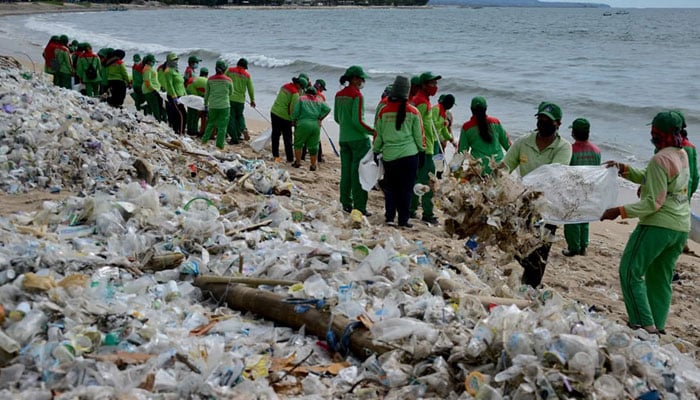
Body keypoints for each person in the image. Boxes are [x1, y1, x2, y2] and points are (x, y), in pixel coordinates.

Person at [601, 111, 689, 335]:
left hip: (657, 225)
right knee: (660, 278)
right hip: (680, 227)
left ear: (658, 133)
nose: (651, 137)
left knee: (630, 271)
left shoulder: (660, 158)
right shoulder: (682, 153)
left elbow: (653, 203)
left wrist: (619, 211)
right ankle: (657, 327)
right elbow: (654, 178)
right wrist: (624, 169)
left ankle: (642, 325)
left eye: (654, 133)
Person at [503, 101, 572, 288]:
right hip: (524, 204)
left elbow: (553, 175)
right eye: (540, 118)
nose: (542, 122)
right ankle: (517, 284)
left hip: (548, 207)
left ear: (558, 123)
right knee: (520, 248)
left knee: (539, 251)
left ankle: (531, 288)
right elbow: (505, 166)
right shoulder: (523, 142)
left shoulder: (563, 147)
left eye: (547, 120)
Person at [373, 76, 425, 228]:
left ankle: (389, 217)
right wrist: (422, 153)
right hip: (410, 156)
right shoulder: (414, 112)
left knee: (391, 188)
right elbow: (419, 136)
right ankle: (403, 220)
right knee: (406, 189)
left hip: (390, 156)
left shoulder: (383, 111)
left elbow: (379, 135)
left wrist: (376, 151)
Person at [334, 65, 375, 215]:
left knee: (346, 173)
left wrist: (347, 127)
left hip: (343, 138)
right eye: (361, 79)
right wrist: (373, 131)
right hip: (359, 140)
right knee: (358, 174)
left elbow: (337, 118)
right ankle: (359, 207)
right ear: (354, 79)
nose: (363, 81)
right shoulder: (357, 96)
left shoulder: (339, 95)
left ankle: (345, 202)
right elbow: (358, 121)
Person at [562, 118, 601, 257]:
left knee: (571, 219)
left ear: (573, 133)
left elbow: (566, 171)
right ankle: (584, 246)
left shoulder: (571, 150)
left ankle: (573, 248)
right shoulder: (596, 150)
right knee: (584, 218)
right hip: (589, 189)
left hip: (573, 189)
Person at [409, 71, 441, 224]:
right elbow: (416, 125)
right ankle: (427, 213)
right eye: (432, 83)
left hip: (423, 147)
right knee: (430, 181)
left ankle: (411, 209)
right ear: (423, 85)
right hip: (425, 148)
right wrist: (422, 148)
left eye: (436, 83)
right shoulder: (421, 102)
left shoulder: (421, 100)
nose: (435, 86)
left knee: (417, 178)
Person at [458, 96, 511, 175]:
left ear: (471, 109)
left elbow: (462, 152)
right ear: (486, 108)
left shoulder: (466, 127)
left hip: (479, 168)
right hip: (498, 166)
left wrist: (457, 171)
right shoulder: (495, 122)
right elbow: (509, 147)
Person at [292, 86, 331, 171]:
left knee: (298, 144)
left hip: (303, 123)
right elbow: (328, 109)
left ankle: (297, 163)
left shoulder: (301, 99)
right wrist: (320, 118)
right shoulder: (319, 101)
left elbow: (295, 112)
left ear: (306, 92)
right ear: (315, 94)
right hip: (315, 125)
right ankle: (313, 165)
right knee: (314, 146)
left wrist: (294, 121)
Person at [270, 75, 307, 163]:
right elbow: (293, 109)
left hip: (274, 112)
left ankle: (276, 157)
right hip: (284, 117)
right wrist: (294, 121)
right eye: (301, 87)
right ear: (298, 84)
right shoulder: (295, 93)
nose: (301, 89)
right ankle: (289, 158)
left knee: (275, 136)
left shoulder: (285, 86)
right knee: (287, 139)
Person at [202, 60, 234, 150]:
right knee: (222, 127)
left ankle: (204, 141)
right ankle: (219, 146)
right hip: (225, 106)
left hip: (212, 105)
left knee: (210, 124)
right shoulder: (229, 80)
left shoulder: (210, 79)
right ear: (225, 69)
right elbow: (231, 92)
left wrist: (205, 104)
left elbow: (207, 94)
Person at [225, 58, 256, 144]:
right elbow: (250, 88)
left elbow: (223, 80)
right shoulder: (247, 75)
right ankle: (242, 129)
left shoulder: (230, 70)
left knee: (231, 118)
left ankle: (234, 138)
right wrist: (252, 100)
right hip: (241, 100)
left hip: (230, 98)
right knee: (239, 116)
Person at [302, 79, 328, 162]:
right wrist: (320, 119)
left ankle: (302, 156)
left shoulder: (307, 92)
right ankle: (319, 158)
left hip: (305, 118)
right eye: (322, 89)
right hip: (315, 120)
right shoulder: (321, 97)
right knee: (316, 139)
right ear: (320, 88)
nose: (322, 91)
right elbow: (325, 109)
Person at [432, 93, 456, 178]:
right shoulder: (436, 109)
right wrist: (443, 123)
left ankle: (439, 177)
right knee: (434, 160)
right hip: (432, 139)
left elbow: (444, 129)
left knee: (439, 158)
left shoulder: (444, 112)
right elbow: (433, 125)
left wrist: (451, 140)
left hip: (438, 139)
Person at [163, 52, 187, 134]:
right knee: (180, 114)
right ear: (169, 61)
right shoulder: (168, 71)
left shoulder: (175, 70)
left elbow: (181, 83)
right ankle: (179, 132)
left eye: (176, 59)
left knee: (180, 114)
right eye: (174, 60)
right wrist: (174, 96)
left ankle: (179, 130)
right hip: (174, 96)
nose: (176, 61)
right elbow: (170, 85)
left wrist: (185, 94)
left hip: (180, 95)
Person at [141, 54, 164, 122]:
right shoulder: (147, 69)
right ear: (148, 61)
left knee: (152, 106)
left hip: (151, 89)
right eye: (152, 61)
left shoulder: (148, 68)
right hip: (150, 90)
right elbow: (147, 81)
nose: (153, 63)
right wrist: (153, 89)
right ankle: (158, 120)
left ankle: (152, 118)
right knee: (155, 107)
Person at [186, 67, 208, 136]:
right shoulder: (207, 81)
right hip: (192, 90)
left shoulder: (198, 78)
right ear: (207, 74)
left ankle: (189, 129)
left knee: (191, 111)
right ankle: (193, 131)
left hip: (188, 88)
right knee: (195, 112)